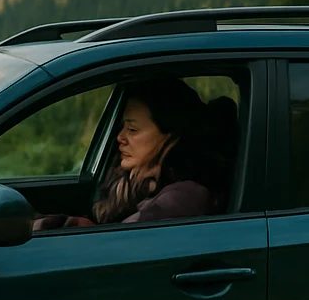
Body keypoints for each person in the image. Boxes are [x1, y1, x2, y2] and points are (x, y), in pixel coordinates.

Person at [34, 78, 238, 230]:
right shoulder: (135, 187)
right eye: (122, 127)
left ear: (171, 135)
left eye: (133, 130)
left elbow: (110, 246)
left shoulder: (182, 199)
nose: (119, 138)